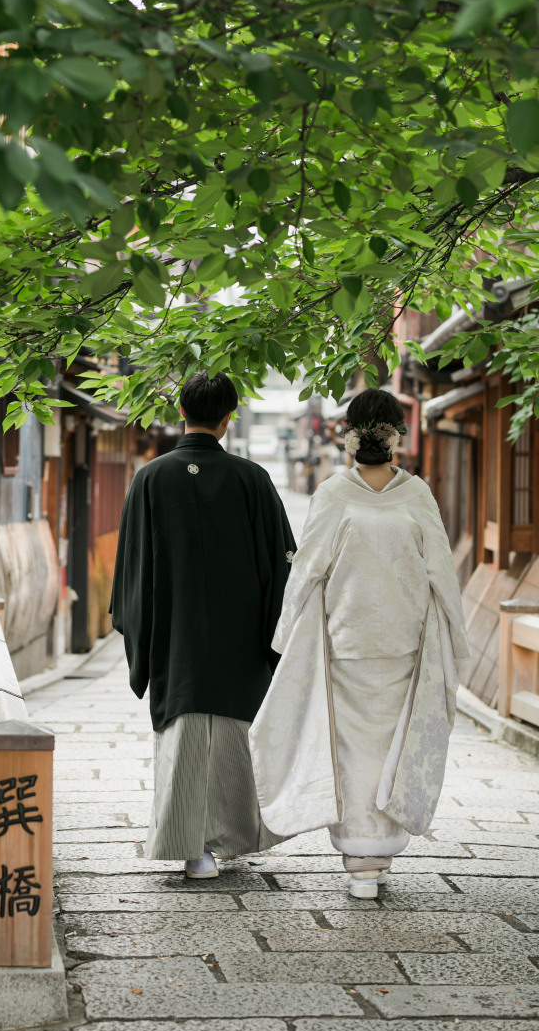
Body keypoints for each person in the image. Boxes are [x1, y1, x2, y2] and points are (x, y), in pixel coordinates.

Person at [249, 388, 470, 898]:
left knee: (352, 753)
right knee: (389, 747)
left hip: (350, 637)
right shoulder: (416, 495)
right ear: (398, 436)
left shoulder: (333, 493)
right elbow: (441, 569)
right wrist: (457, 640)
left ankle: (361, 856)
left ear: (348, 435)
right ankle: (375, 850)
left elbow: (306, 570)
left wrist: (283, 638)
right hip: (401, 637)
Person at [110, 371, 296, 879]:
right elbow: (283, 565)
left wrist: (138, 623)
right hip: (240, 644)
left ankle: (192, 849)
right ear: (228, 419)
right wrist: (274, 635)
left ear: (182, 414)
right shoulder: (251, 479)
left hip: (177, 639)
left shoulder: (150, 477)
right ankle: (233, 838)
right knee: (236, 735)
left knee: (184, 736)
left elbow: (133, 565)